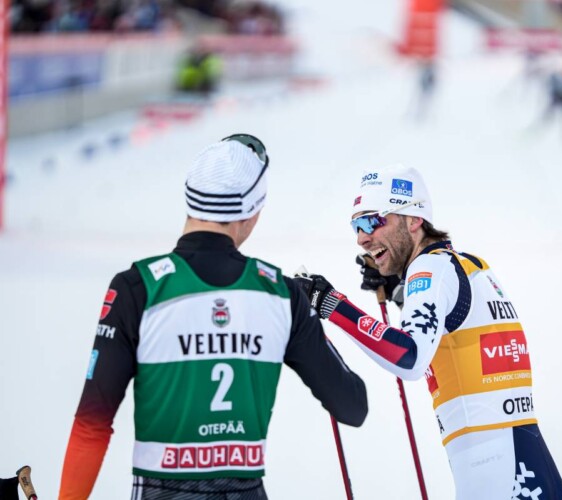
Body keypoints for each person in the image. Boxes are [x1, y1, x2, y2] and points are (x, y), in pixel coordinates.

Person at [59, 134, 368, 499]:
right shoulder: (280, 295)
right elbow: (352, 406)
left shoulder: (136, 288)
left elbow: (92, 426)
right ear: (252, 211)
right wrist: (304, 319)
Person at [295, 165, 562, 499]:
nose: (362, 237)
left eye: (373, 221)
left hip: (493, 470)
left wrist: (331, 304)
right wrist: (399, 292)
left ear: (414, 220)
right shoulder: (467, 264)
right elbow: (444, 335)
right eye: (356, 226)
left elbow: (409, 356)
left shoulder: (430, 268)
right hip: (524, 461)